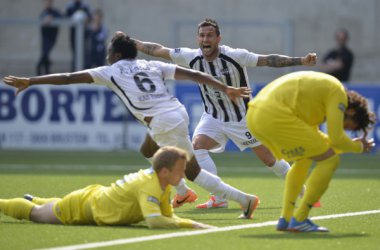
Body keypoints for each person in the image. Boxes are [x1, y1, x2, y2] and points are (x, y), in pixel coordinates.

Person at [3, 32, 259, 219]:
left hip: (162, 121)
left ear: (114, 55)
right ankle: (182, 192)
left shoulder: (110, 70)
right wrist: (224, 87)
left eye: (108, 53)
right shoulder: (151, 64)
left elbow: (69, 77)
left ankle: (243, 200)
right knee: (148, 150)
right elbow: (194, 74)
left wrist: (31, 81)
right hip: (174, 112)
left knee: (192, 171)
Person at [131, 18, 317, 209]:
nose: (206, 39)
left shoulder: (235, 56)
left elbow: (268, 60)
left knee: (269, 159)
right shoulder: (190, 57)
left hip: (243, 119)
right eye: (202, 35)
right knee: (197, 147)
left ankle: (304, 191)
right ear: (198, 39)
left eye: (210, 35)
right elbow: (157, 49)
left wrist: (301, 60)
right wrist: (132, 43)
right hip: (212, 116)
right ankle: (219, 198)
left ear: (218, 38)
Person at [246, 71, 376, 232]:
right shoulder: (338, 93)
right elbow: (336, 138)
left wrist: (344, 145)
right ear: (351, 112)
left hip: (254, 116)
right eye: (349, 126)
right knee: (331, 160)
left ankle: (285, 219)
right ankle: (300, 218)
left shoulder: (317, 100)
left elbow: (319, 142)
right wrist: (359, 147)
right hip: (276, 116)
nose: (345, 129)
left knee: (304, 159)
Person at [0, 146, 215, 229]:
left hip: (93, 198)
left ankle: (34, 198)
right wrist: (196, 226)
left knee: (48, 207)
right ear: (165, 172)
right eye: (180, 169)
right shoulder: (150, 186)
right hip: (83, 207)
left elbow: (168, 216)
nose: (183, 173)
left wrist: (190, 223)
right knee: (36, 214)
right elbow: (155, 221)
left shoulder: (163, 184)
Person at [36, 0, 62, 75]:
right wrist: (45, 20)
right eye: (46, 2)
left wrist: (52, 18)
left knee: (46, 54)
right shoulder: (43, 13)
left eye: (49, 2)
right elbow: (41, 21)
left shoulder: (55, 12)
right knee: (45, 54)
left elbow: (61, 17)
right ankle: (40, 69)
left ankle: (45, 71)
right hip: (45, 38)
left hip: (52, 37)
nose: (48, 3)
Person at [65, 0, 92, 71]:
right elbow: (66, 18)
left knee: (84, 53)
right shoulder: (70, 6)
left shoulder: (85, 6)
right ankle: (74, 72)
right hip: (73, 34)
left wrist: (87, 19)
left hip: (84, 34)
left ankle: (83, 72)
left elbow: (90, 17)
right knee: (75, 54)